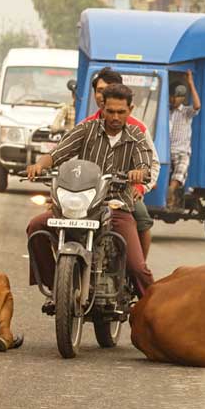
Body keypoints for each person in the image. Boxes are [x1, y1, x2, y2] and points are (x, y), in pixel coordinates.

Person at [25, 83, 155, 305]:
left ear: (130, 110)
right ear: (102, 108)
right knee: (36, 227)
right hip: (78, 205)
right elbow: (56, 154)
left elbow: (145, 166)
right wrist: (39, 165)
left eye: (121, 112)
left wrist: (138, 173)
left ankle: (154, 307)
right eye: (110, 111)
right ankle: (56, 285)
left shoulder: (136, 136)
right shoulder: (87, 130)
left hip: (116, 207)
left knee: (137, 266)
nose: (115, 116)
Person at [83, 67, 158, 258]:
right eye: (100, 91)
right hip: (88, 194)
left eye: (108, 90)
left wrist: (139, 188)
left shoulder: (138, 128)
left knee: (142, 220)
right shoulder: (85, 127)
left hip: (123, 195)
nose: (103, 95)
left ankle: (138, 274)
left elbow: (153, 164)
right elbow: (67, 160)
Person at [168, 73, 201, 208]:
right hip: (166, 152)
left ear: (182, 98)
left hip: (182, 151)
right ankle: (168, 196)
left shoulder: (186, 112)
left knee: (180, 172)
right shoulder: (165, 111)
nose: (174, 99)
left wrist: (191, 83)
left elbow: (197, 106)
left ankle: (170, 191)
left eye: (178, 97)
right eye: (172, 96)